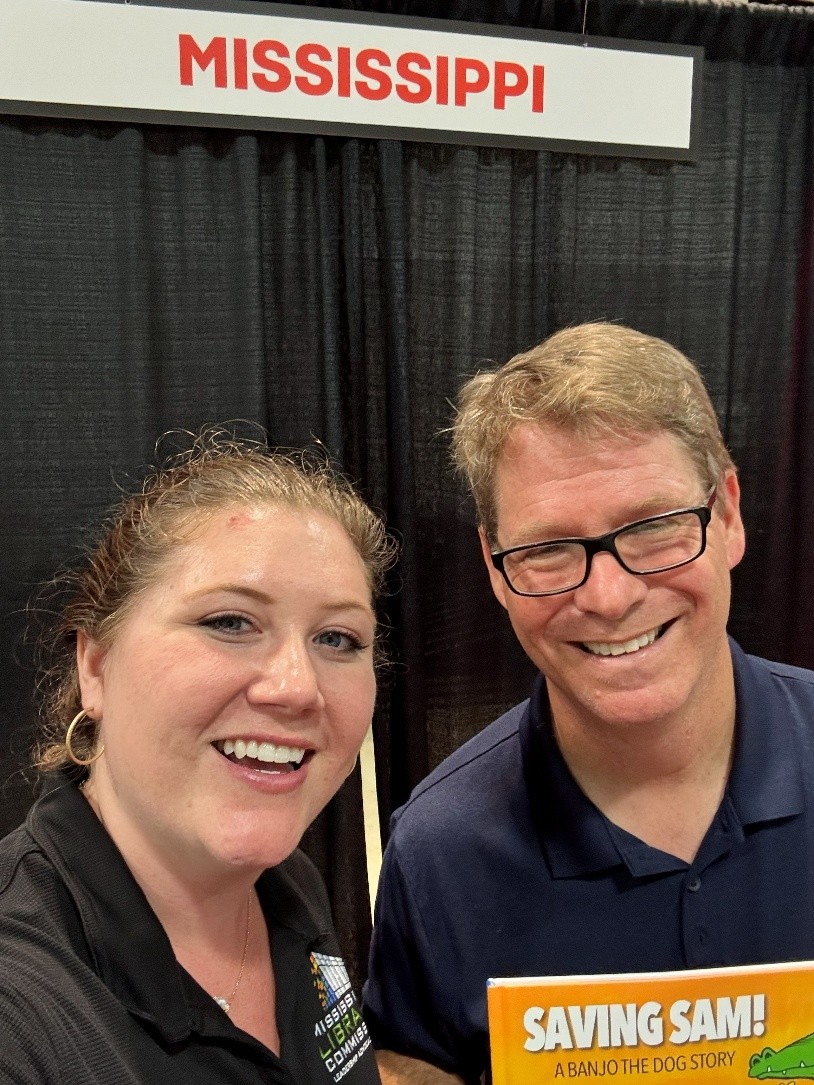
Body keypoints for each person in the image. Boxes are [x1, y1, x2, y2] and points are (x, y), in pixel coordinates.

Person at [363, 323, 814, 1085]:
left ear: (728, 514)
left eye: (656, 527)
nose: (610, 596)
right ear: (495, 568)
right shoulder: (438, 850)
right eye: (548, 549)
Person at [0, 429, 393, 1084]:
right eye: (230, 622)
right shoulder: (22, 1013)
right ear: (94, 665)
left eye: (337, 637)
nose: (297, 686)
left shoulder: (288, 886)